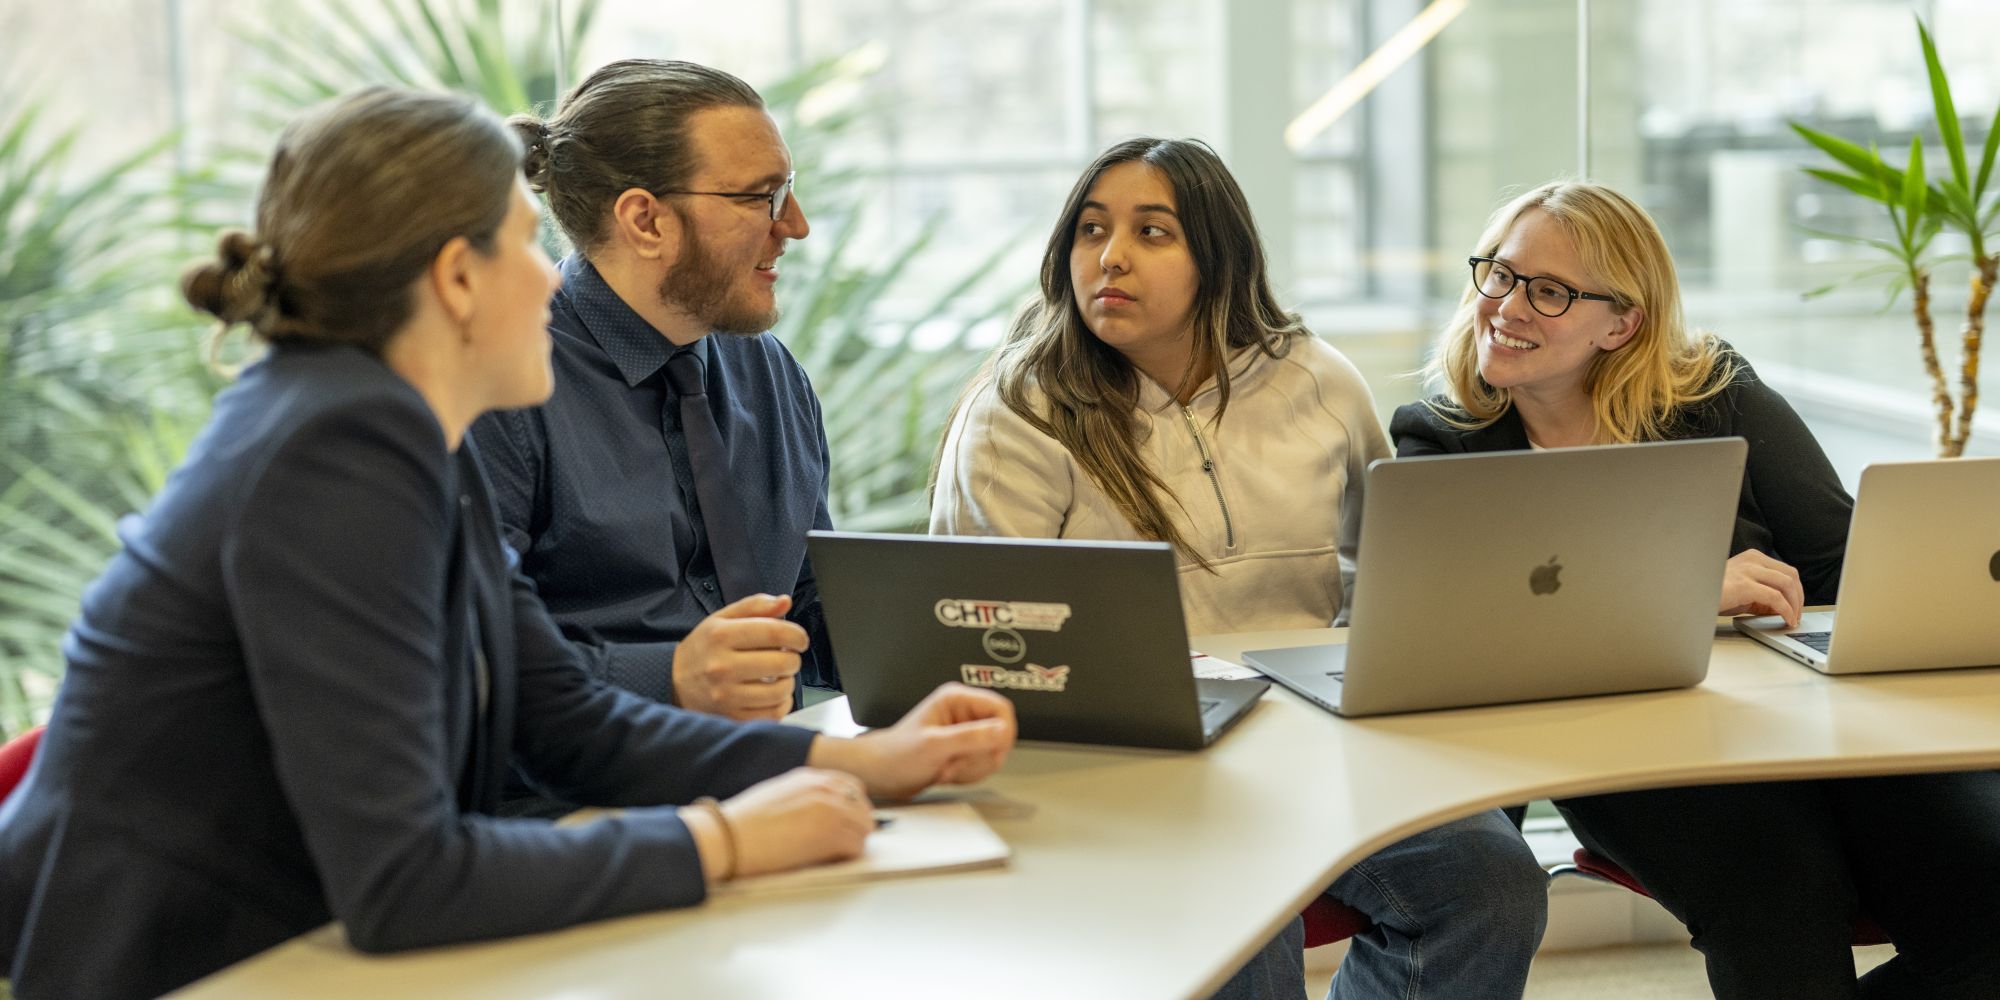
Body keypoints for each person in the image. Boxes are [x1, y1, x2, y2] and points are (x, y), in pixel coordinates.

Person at [0, 87, 1015, 1000]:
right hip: (194, 962)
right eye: (529, 245)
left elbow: (569, 721)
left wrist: (871, 762)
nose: (555, 280)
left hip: (297, 941)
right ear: (455, 279)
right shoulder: (334, 451)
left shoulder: (375, 425)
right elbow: (407, 878)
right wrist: (723, 839)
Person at [930, 137, 1548, 1000]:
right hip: (1129, 766)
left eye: (1153, 232)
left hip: (1312, 745)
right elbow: (979, 640)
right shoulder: (1019, 409)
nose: (1110, 256)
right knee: (1245, 927)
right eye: (1091, 230)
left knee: (1495, 883)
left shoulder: (1319, 380)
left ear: (1218, 258)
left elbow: (1397, 577)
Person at [1393, 178, 2000, 999]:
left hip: (1809, 729)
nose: (1506, 305)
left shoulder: (1716, 394)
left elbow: (1846, 564)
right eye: (1497, 273)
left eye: (1549, 291)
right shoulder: (1443, 439)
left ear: (1624, 323)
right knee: (1782, 901)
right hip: (1626, 746)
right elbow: (1459, 632)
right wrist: (1684, 589)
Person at [468, 60, 840, 725]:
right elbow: (469, 660)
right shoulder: (500, 390)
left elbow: (813, 600)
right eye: (763, 197)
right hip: (575, 801)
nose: (796, 226)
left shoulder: (773, 375)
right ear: (645, 221)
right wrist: (668, 679)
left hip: (773, 772)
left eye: (788, 190)